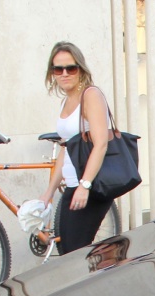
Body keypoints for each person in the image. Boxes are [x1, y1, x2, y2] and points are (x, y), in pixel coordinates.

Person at [38, 42, 115, 255]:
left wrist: (85, 185)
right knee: (69, 251)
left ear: (80, 69)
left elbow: (100, 144)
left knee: (74, 254)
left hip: (91, 187)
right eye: (58, 69)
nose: (64, 74)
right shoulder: (66, 101)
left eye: (70, 68)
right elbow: (66, 149)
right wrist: (49, 192)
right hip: (74, 185)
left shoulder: (90, 96)